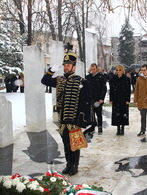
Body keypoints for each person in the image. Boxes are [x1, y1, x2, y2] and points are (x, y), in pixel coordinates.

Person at [41, 43, 92, 176]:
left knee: (74, 143)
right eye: (64, 65)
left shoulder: (82, 81)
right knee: (65, 142)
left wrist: (82, 119)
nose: (65, 67)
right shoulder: (60, 80)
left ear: (74, 67)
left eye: (68, 65)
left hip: (75, 119)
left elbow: (86, 103)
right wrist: (51, 70)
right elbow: (44, 80)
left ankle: (75, 165)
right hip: (63, 118)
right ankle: (68, 163)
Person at [86, 63, 107, 135]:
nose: (93, 71)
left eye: (94, 69)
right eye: (91, 69)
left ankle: (100, 127)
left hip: (98, 98)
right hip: (90, 98)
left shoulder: (101, 77)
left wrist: (101, 98)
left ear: (96, 69)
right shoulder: (88, 77)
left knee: (98, 113)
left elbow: (104, 88)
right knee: (91, 114)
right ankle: (92, 127)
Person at [109, 65, 131, 135]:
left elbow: (128, 90)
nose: (118, 71)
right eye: (117, 70)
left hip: (123, 99)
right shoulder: (113, 79)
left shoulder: (126, 79)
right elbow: (111, 90)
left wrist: (128, 100)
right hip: (116, 99)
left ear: (122, 70)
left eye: (119, 70)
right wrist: (111, 99)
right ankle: (118, 128)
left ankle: (123, 128)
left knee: (123, 113)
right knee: (116, 114)